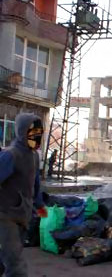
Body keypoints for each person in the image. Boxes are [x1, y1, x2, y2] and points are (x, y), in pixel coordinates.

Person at [0, 113, 48, 277]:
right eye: (33, 132)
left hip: (23, 214)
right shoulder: (11, 155)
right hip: (5, 215)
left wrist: (40, 205)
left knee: (7, 257)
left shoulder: (34, 156)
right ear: (22, 132)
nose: (37, 136)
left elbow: (34, 184)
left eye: (39, 132)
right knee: (15, 264)